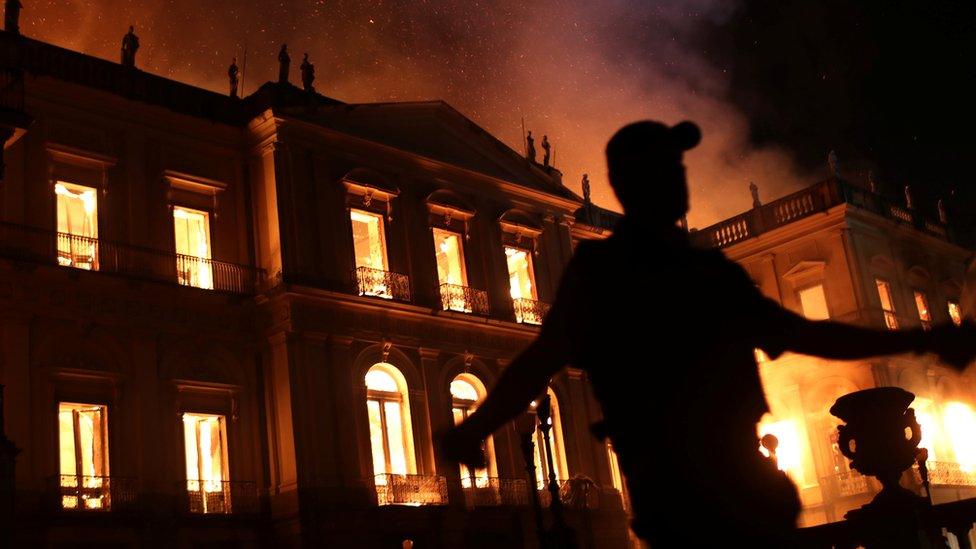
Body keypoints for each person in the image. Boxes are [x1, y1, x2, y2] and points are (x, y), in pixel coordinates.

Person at [439, 120, 976, 547]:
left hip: (730, 488)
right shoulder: (612, 272)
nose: (680, 180)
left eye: (678, 168)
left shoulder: (702, 272)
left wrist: (920, 340)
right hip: (690, 494)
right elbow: (542, 358)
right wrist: (476, 427)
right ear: (633, 185)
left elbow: (805, 333)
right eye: (666, 170)